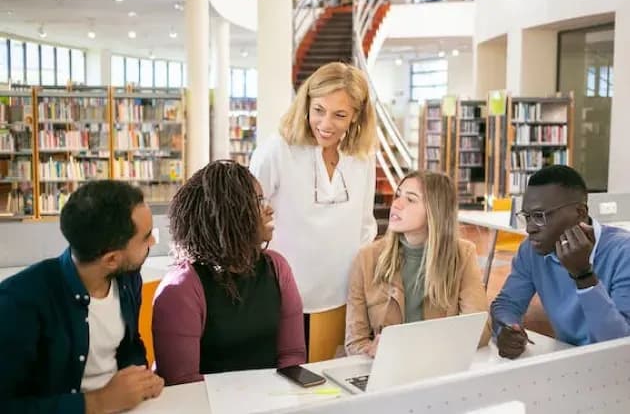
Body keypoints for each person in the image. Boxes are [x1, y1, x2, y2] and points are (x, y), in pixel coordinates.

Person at [0, 180, 163, 414]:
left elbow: (130, 344)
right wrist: (98, 402)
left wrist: (141, 379)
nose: (153, 242)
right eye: (146, 237)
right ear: (111, 259)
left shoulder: (128, 279)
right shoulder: (19, 302)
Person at [249, 62, 378, 345]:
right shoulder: (277, 151)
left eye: (340, 115)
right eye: (318, 110)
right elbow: (247, 220)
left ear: (356, 116)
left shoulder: (363, 156)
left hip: (344, 296)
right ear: (306, 103)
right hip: (283, 297)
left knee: (332, 382)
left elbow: (365, 225)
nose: (326, 124)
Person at [152, 161, 306, 385]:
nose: (269, 209)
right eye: (258, 201)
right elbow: (183, 384)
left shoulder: (277, 268)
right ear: (229, 213)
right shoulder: (181, 289)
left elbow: (292, 357)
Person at [345, 171, 491, 357]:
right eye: (398, 195)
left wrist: (416, 351)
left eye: (410, 200)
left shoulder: (463, 255)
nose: (396, 204)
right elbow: (354, 342)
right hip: (382, 370)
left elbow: (479, 331)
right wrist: (371, 351)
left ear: (435, 210)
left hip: (439, 366)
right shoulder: (366, 258)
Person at [491, 165, 630, 359]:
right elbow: (507, 304)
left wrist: (583, 276)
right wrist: (505, 329)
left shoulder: (623, 253)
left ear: (580, 213)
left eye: (539, 216)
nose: (530, 228)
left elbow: (621, 350)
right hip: (567, 364)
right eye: (527, 217)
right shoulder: (531, 250)